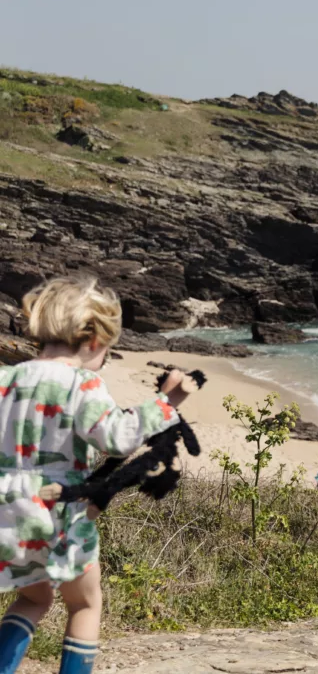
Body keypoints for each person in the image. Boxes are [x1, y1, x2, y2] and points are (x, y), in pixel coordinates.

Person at [0, 277, 191, 674]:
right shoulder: (83, 384)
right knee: (85, 604)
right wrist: (167, 402)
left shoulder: (6, 380)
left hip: (8, 513)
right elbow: (117, 439)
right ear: (94, 340)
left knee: (33, 599)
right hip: (57, 511)